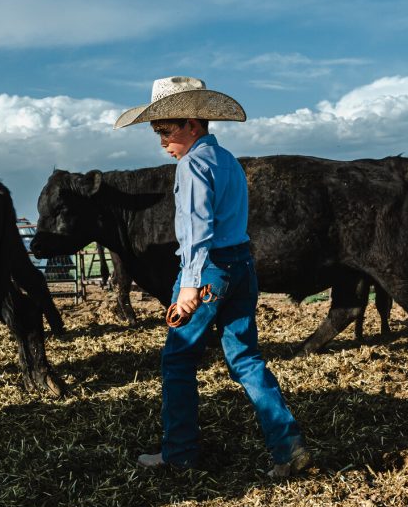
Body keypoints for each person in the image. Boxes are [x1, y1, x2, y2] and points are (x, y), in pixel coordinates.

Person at [114, 76, 310, 478]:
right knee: (245, 358)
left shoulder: (192, 165)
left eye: (166, 130)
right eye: (157, 133)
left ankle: (179, 454)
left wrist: (188, 287)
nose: (163, 142)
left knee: (179, 361)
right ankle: (288, 447)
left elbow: (197, 228)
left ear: (192, 124)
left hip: (207, 272)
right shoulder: (229, 161)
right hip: (241, 265)